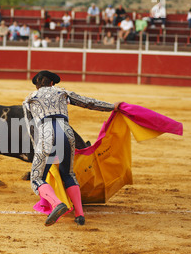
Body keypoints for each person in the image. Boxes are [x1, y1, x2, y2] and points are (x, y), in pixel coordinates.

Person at [22, 70, 121, 226]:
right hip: (67, 132)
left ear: (37, 85)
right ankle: (79, 214)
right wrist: (111, 107)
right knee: (68, 173)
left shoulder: (29, 100)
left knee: (37, 178)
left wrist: (39, 151)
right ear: (52, 83)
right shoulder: (62, 92)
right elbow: (88, 102)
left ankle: (56, 203)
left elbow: (31, 128)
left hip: (46, 134)